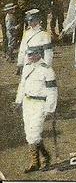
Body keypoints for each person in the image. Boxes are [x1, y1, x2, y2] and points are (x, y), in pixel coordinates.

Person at [14, 45, 58, 173]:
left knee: (34, 132)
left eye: (32, 54)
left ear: (39, 54)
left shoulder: (47, 70)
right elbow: (22, 85)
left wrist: (50, 109)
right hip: (28, 103)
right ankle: (44, 155)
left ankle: (35, 162)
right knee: (29, 133)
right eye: (28, 55)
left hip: (40, 104)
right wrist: (18, 101)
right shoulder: (27, 67)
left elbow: (52, 91)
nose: (29, 57)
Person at [16, 10, 53, 74]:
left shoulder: (44, 34)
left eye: (31, 20)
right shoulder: (26, 33)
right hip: (28, 61)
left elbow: (48, 52)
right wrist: (20, 63)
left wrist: (47, 64)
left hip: (40, 60)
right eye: (28, 20)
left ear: (37, 20)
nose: (29, 22)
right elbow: (23, 48)